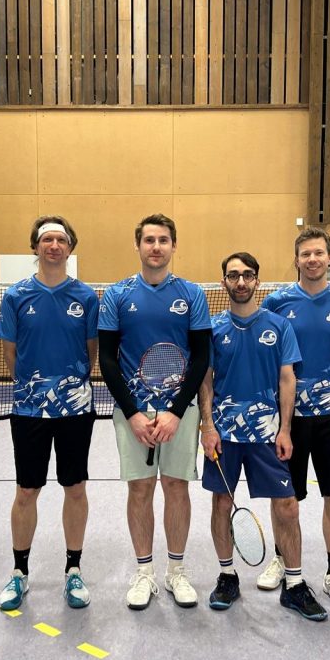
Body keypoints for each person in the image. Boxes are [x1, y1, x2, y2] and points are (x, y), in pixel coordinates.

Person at [199, 253, 327, 621]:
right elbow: (205, 381)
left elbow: (288, 379)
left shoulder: (279, 326)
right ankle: (227, 576)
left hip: (268, 435)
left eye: (247, 275)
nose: (240, 282)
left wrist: (285, 429)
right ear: (223, 281)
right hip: (224, 434)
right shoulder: (212, 328)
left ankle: (295, 584)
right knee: (221, 504)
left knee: (287, 506)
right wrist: (207, 426)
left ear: (258, 280)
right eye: (233, 275)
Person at [98, 213, 211, 610]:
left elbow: (201, 357)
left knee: (176, 487)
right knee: (140, 488)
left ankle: (176, 571)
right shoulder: (116, 294)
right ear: (138, 245)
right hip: (133, 411)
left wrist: (177, 411)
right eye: (149, 240)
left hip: (180, 410)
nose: (156, 247)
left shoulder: (192, 294)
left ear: (174, 245)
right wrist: (131, 413)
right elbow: (107, 359)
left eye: (163, 240)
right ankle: (144, 572)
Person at [0, 216, 99, 610]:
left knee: (75, 488)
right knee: (27, 490)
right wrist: (33, 388)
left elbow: (91, 351)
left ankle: (73, 569)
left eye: (61, 240)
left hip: (75, 409)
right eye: (47, 239)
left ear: (70, 248)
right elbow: (10, 352)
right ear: (35, 247)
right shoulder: (15, 296)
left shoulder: (86, 297)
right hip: (29, 409)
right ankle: (19, 572)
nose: (54, 245)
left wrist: (69, 388)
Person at [260, 227, 330, 611]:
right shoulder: (276, 302)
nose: (312, 259)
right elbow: (267, 357)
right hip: (287, 418)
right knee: (284, 496)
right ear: (296, 259)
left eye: (319, 253)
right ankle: (281, 557)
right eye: (305, 254)